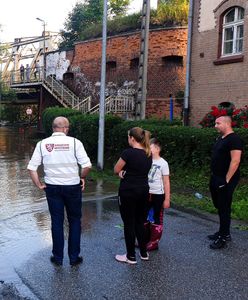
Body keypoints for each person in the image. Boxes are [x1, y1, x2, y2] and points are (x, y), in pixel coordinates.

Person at [27, 116, 92, 266]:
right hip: (72, 188)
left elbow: (31, 168)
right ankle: (74, 258)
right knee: (74, 221)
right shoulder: (75, 143)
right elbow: (87, 165)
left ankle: (57, 258)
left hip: (52, 188)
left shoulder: (42, 144)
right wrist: (82, 178)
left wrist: (38, 184)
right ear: (66, 129)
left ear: (53, 128)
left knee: (56, 221)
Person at [114, 127, 152, 264]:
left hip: (128, 191)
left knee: (129, 223)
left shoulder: (128, 153)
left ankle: (130, 256)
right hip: (143, 190)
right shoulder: (149, 153)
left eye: (128, 137)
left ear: (132, 138)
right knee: (140, 222)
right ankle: (144, 253)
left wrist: (121, 173)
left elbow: (116, 169)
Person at [208, 116, 243, 249]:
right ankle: (224, 231)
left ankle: (223, 237)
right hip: (215, 177)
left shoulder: (234, 139)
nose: (215, 125)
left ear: (227, 124)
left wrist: (227, 179)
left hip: (225, 179)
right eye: (215, 123)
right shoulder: (221, 138)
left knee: (224, 207)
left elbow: (235, 161)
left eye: (218, 123)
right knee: (219, 205)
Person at [146, 138, 170, 251]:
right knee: (144, 216)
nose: (147, 149)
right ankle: (145, 239)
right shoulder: (146, 160)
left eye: (149, 147)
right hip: (146, 193)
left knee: (156, 217)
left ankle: (154, 242)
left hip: (158, 195)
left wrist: (167, 199)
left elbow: (166, 182)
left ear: (157, 149)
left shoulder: (163, 163)